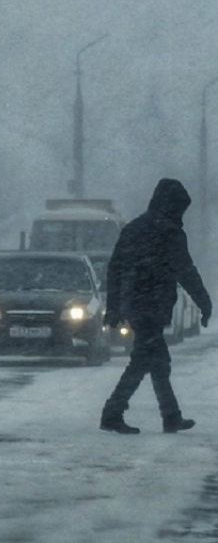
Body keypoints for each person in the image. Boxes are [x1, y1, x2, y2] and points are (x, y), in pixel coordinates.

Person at [100, 178, 212, 435]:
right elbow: (186, 271)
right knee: (144, 360)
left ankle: (169, 415)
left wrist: (114, 306)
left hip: (136, 304)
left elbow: (115, 268)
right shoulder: (169, 232)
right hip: (152, 305)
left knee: (156, 361)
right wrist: (204, 302)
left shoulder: (134, 228)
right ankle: (113, 413)